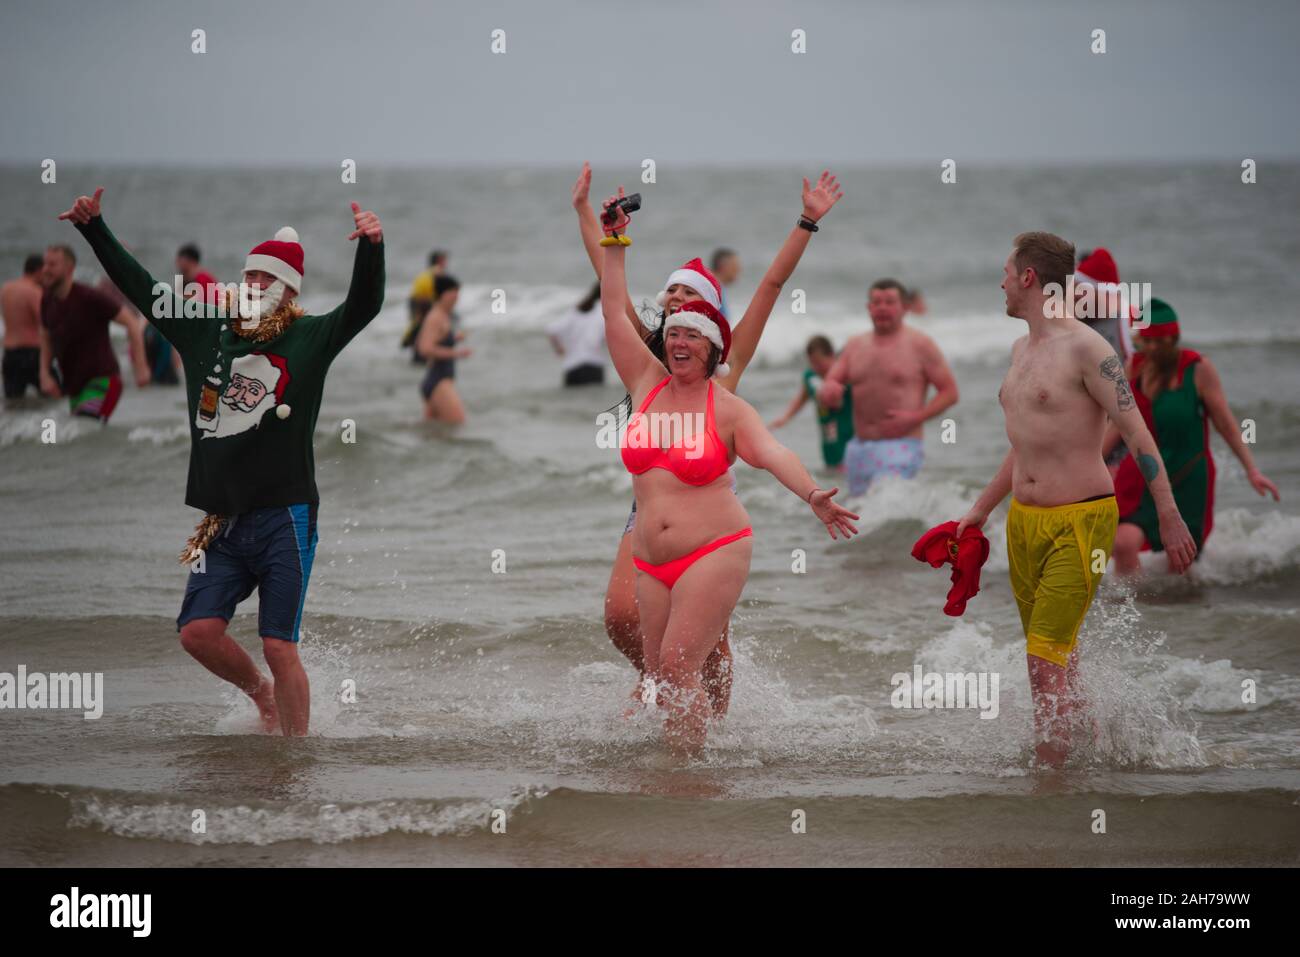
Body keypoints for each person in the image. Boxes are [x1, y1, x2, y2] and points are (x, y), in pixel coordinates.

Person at [58, 186, 386, 736]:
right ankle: (262, 696)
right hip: (223, 521)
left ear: (288, 292)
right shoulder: (202, 331)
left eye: (268, 280)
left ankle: (295, 757)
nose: (256, 285)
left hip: (285, 515)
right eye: (250, 276)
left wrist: (372, 247)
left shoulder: (311, 337)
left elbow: (365, 305)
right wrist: (95, 230)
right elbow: (144, 289)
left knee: (280, 645)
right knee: (197, 633)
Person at [572, 163, 843, 718]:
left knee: (701, 645)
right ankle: (669, 685)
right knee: (624, 617)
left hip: (706, 498)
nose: (671, 298)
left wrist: (806, 222)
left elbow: (770, 285)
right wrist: (591, 218)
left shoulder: (727, 365)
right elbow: (609, 285)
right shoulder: (649, 360)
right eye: (668, 290)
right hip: (648, 504)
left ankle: (700, 713)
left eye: (685, 293)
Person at [955, 231, 1197, 768]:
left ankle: (1050, 779)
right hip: (1024, 524)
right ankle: (1091, 751)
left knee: (1042, 658)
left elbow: (1136, 434)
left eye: (1005, 270)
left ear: (1028, 278)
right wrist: (978, 511)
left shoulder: (1090, 349)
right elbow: (1022, 446)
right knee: (1057, 654)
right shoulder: (1021, 350)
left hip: (1081, 521)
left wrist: (1169, 513)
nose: (999, 282)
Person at [1105, 298, 1279, 574]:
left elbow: (1225, 423)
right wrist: (1091, 462)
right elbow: (1118, 424)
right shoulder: (1135, 366)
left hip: (1187, 474)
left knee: (1181, 560)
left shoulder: (1197, 368)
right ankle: (1130, 609)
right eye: (1146, 341)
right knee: (1123, 543)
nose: (1151, 348)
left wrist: (1252, 470)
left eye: (1158, 342)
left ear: (1173, 338)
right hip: (1143, 474)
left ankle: (1185, 614)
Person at [817, 278, 959, 496]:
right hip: (858, 447)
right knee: (859, 516)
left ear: (905, 308)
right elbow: (831, 383)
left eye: (890, 302)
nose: (882, 307)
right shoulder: (855, 345)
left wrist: (916, 417)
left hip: (901, 445)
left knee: (891, 512)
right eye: (877, 302)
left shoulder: (921, 344)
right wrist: (830, 392)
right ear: (869, 308)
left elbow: (950, 392)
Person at [38, 243, 150, 421]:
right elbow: (44, 335)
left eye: (52, 265)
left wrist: (141, 366)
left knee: (84, 427)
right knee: (78, 437)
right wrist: (44, 373)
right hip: (75, 386)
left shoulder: (89, 297)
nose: (45, 269)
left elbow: (131, 321)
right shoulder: (47, 300)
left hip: (104, 381)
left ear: (69, 268)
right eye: (45, 264)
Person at [769, 335, 854, 470]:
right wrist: (785, 418)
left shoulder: (846, 374)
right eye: (812, 363)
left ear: (831, 355)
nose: (816, 367)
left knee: (846, 467)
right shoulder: (811, 377)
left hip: (848, 433)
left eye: (819, 362)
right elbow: (801, 398)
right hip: (828, 434)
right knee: (831, 468)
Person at [416, 274, 470, 423]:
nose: (456, 297)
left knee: (435, 435)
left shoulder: (444, 316)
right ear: (443, 294)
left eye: (458, 293)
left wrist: (455, 339)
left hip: (439, 380)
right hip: (439, 381)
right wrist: (457, 353)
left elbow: (437, 341)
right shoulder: (436, 317)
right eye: (453, 292)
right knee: (458, 424)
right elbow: (425, 348)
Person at [1, 254, 45, 400]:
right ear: (39, 271)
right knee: (54, 396)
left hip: (9, 354)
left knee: (13, 401)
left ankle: (16, 424)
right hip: (32, 354)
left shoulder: (6, 289)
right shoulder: (34, 292)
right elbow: (45, 323)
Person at [547, 281, 606, 386]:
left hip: (572, 368)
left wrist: (559, 348)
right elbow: (595, 339)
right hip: (593, 366)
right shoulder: (603, 312)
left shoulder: (576, 310)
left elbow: (551, 329)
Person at [402, 249, 448, 361]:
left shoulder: (425, 273)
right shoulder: (437, 271)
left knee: (418, 328)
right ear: (439, 261)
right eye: (444, 260)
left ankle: (416, 352)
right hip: (423, 302)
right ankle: (421, 355)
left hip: (415, 301)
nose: (446, 263)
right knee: (424, 330)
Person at [710, 247, 742, 318]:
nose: (739, 270)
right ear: (723, 266)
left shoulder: (716, 286)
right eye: (735, 266)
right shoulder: (714, 289)